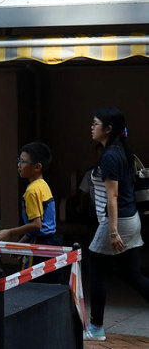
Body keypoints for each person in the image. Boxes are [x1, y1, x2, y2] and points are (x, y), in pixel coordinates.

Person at [82, 108, 149, 342]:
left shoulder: (111, 155)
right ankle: (96, 326)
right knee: (132, 275)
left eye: (95, 123)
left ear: (108, 129)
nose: (91, 127)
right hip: (131, 220)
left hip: (117, 222)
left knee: (95, 269)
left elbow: (112, 196)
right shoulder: (121, 151)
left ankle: (96, 328)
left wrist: (112, 232)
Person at [0, 141, 63, 283]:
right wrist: (22, 245)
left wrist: (10, 232)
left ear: (37, 167)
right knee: (50, 286)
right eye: (18, 160)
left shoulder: (32, 191)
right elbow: (39, 226)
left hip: (40, 246)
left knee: (33, 287)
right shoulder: (43, 185)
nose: (19, 165)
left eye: (23, 161)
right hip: (52, 242)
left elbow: (36, 225)